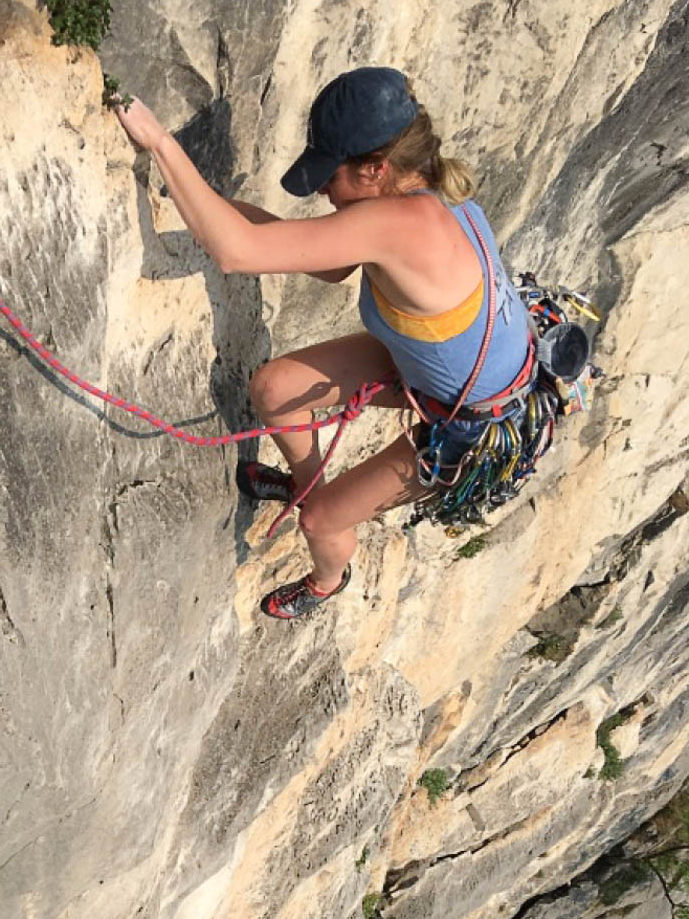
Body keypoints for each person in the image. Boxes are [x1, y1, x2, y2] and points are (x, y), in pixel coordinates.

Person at [113, 67, 536, 621]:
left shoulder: (401, 225)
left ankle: (329, 578)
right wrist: (199, 199)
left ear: (376, 168)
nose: (319, 190)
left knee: (322, 521)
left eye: (328, 177)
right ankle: (304, 483)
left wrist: (160, 143)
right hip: (447, 367)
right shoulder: (421, 194)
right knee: (276, 389)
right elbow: (332, 266)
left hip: (473, 426)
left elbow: (236, 253)